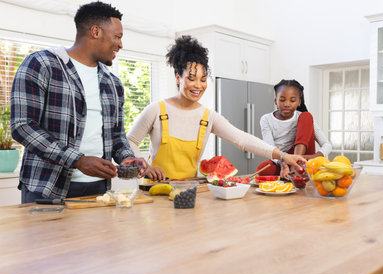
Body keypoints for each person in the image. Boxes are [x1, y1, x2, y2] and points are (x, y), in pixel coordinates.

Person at [10, 1, 146, 204]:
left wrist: (126, 157)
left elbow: (116, 136)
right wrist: (78, 160)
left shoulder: (113, 83)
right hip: (46, 189)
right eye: (117, 37)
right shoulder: (41, 64)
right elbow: (23, 127)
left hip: (99, 190)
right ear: (95, 31)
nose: (120, 44)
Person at [126, 36, 306, 180]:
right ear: (178, 77)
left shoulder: (207, 116)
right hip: (153, 191)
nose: (198, 85)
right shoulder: (156, 110)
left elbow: (242, 139)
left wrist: (282, 156)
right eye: (192, 78)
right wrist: (146, 167)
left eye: (203, 79)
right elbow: (130, 140)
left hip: (189, 191)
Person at [258, 79, 332, 178]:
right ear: (276, 101)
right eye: (282, 100)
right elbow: (270, 149)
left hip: (304, 157)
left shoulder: (302, 117)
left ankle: (296, 168)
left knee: (306, 116)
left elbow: (327, 145)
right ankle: (297, 170)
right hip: (284, 159)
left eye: (292, 100)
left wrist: (314, 156)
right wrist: (283, 163)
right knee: (262, 169)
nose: (287, 104)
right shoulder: (266, 119)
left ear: (299, 102)